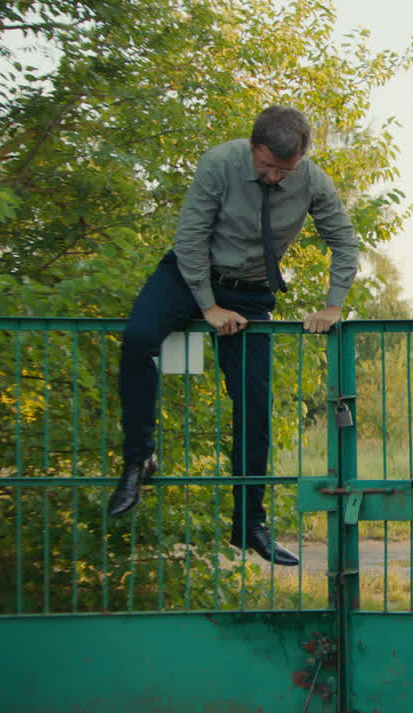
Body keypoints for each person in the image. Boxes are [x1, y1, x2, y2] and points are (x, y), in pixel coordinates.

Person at [108, 106, 359, 566]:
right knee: (139, 338)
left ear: (301, 159)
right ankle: (139, 458)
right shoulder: (218, 164)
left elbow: (344, 241)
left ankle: (250, 524)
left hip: (250, 291)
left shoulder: (312, 180)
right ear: (252, 146)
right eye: (266, 166)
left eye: (285, 171)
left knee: (254, 404)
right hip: (188, 277)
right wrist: (208, 308)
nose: (274, 179)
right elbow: (189, 238)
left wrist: (332, 304)